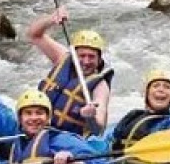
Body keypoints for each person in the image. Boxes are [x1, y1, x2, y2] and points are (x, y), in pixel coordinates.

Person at [26, 7, 113, 136]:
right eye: (82, 56)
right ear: (74, 55)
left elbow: (98, 129)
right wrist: (51, 20)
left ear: (99, 60)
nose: (86, 61)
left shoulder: (100, 86)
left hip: (65, 139)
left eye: (91, 57)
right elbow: (34, 35)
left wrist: (90, 117)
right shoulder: (62, 57)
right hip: (35, 128)